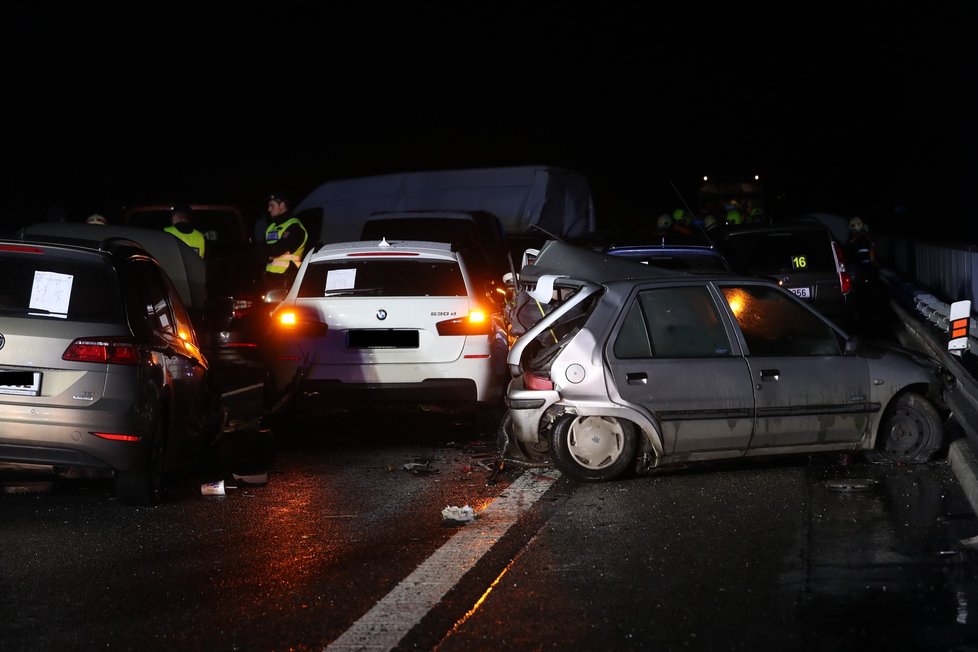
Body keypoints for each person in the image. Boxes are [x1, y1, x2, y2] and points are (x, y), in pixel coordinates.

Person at [262, 193, 308, 290]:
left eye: (272, 205)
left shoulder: (294, 226)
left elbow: (278, 249)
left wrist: (266, 253)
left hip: (288, 279)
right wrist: (265, 253)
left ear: (282, 205)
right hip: (270, 279)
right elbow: (259, 250)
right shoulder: (271, 227)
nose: (269, 209)